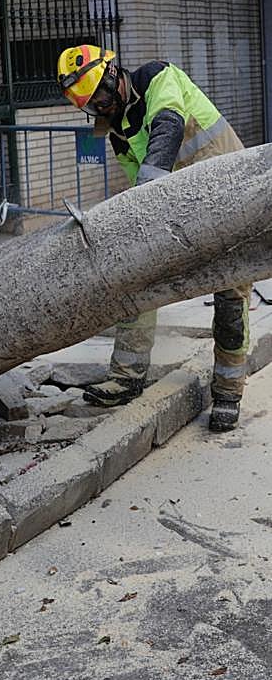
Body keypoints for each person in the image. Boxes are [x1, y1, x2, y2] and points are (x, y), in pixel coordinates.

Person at [56, 44, 251, 432]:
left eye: (102, 98)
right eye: (92, 106)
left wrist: (150, 182)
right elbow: (135, 184)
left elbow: (169, 125)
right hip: (179, 203)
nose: (101, 108)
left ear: (114, 76)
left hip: (227, 194)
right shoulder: (116, 130)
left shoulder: (159, 77)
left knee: (230, 300)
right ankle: (126, 376)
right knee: (137, 279)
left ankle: (228, 393)